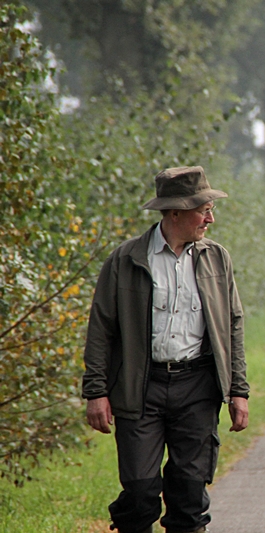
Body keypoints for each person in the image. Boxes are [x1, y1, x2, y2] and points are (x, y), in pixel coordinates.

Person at [82, 166, 249, 533]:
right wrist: (95, 392)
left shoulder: (217, 259)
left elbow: (232, 326)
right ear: (175, 211)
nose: (210, 218)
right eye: (203, 209)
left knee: (189, 497)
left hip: (197, 387)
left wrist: (238, 390)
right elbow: (101, 330)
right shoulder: (125, 260)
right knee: (141, 495)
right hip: (140, 389)